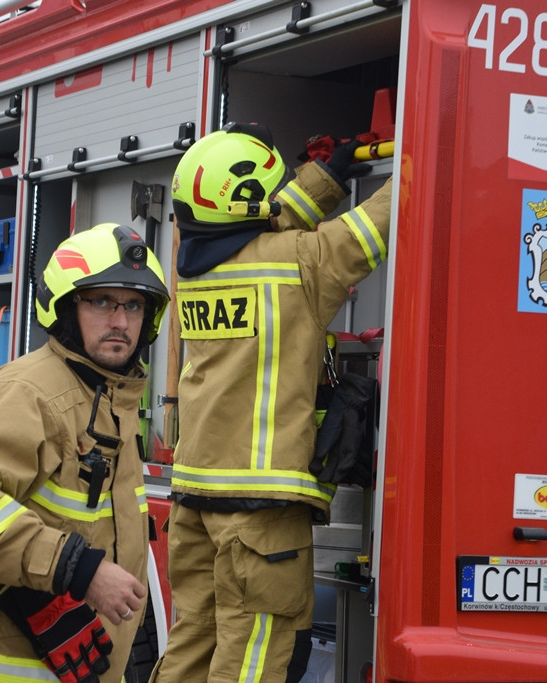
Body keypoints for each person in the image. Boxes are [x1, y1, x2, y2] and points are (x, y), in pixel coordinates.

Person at [149, 122, 393, 682]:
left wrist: (328, 175)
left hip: (196, 496)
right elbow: (382, 219)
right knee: (254, 653)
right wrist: (434, 140)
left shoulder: (196, 267)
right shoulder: (297, 264)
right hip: (258, 511)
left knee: (197, 638)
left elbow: (266, 219)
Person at [0, 222, 170, 683]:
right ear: (65, 308)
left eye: (134, 305)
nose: (120, 321)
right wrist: (79, 570)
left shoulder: (111, 403)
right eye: (101, 301)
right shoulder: (31, 391)